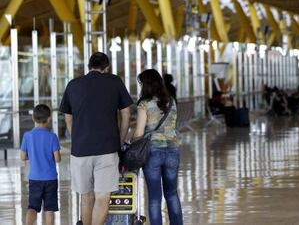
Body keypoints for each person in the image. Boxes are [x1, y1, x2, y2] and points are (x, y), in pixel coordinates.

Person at [60, 52, 133, 225]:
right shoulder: (114, 81)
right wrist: (121, 139)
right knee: (102, 197)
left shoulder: (73, 85)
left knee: (86, 196)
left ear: (88, 66)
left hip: (80, 151)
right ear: (106, 67)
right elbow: (126, 113)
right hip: (107, 148)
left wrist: (76, 136)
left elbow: (68, 117)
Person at [132, 69, 183, 225]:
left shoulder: (145, 104)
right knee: (172, 194)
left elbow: (139, 132)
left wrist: (131, 141)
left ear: (146, 84)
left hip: (152, 152)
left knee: (154, 197)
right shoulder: (171, 101)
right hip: (173, 150)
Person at [20, 104, 61, 225]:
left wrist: (32, 156)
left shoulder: (27, 136)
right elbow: (57, 158)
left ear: (33, 118)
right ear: (49, 119)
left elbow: (22, 157)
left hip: (35, 178)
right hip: (50, 179)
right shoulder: (52, 137)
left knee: (32, 206)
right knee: (49, 208)